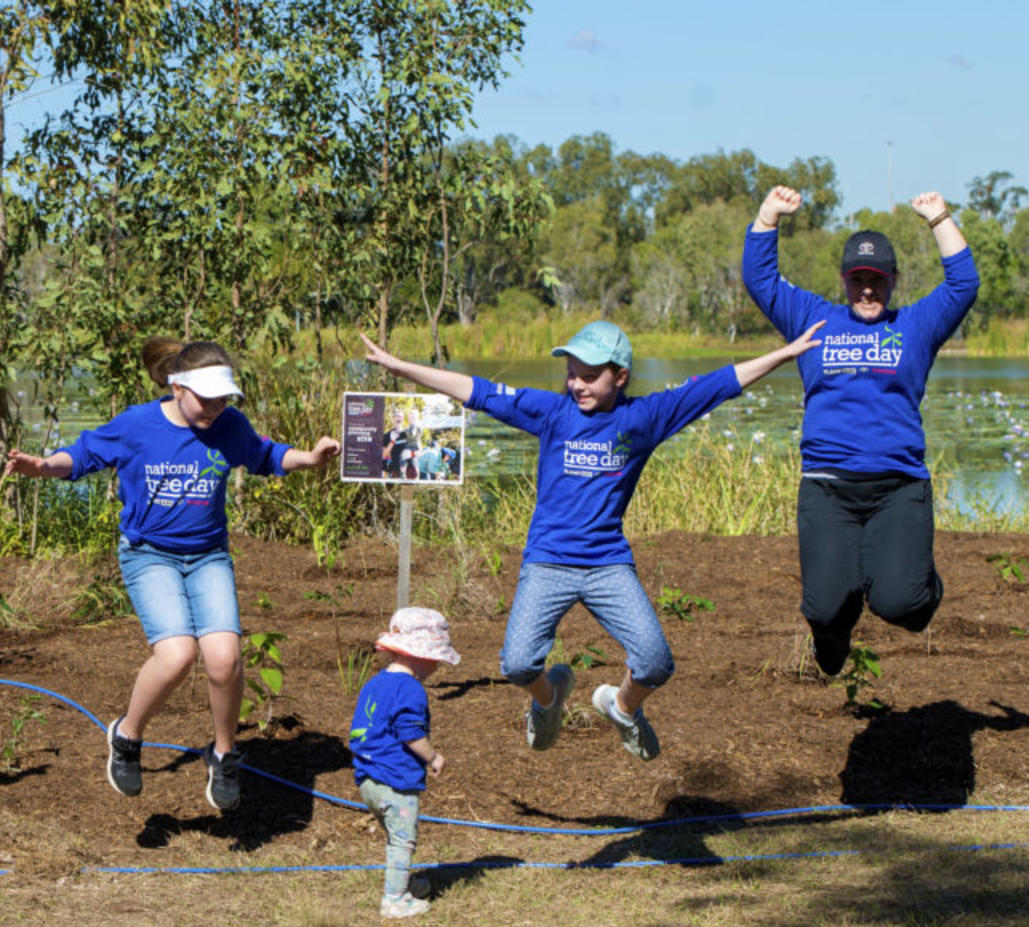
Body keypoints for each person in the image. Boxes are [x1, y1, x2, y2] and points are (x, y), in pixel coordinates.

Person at [358, 321, 823, 760]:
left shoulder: (645, 417)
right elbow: (475, 390)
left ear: (620, 377)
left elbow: (718, 385)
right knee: (518, 665)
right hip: (548, 562)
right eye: (571, 374)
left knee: (656, 663)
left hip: (607, 564)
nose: (577, 384)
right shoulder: (552, 412)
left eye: (589, 376)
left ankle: (621, 707)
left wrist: (784, 353)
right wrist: (401, 367)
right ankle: (549, 699)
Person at [3, 339, 340, 811]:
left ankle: (224, 754)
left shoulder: (229, 425)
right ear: (176, 386)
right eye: (207, 398)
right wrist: (40, 467)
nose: (216, 407)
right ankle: (127, 734)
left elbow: (263, 454)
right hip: (149, 555)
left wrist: (309, 457)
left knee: (224, 658)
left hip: (208, 556)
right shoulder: (138, 425)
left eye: (224, 398)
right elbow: (81, 456)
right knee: (178, 654)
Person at [745, 187, 978, 676]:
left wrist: (939, 220)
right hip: (828, 489)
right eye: (858, 280)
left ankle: (920, 584)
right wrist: (769, 216)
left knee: (903, 606)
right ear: (844, 281)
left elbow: (963, 285)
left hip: (898, 488)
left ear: (892, 280)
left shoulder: (916, 326)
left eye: (877, 280)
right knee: (827, 608)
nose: (867, 290)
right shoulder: (814, 320)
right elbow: (761, 279)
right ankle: (832, 637)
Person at [349, 606, 458, 919]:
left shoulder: (376, 684)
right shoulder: (410, 689)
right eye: (435, 660)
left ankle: (402, 884)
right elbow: (409, 732)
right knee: (402, 840)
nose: (436, 667)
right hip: (394, 781)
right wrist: (433, 757)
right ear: (419, 655)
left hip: (368, 779)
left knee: (394, 835)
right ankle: (394, 899)